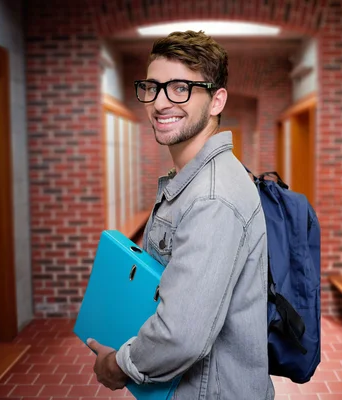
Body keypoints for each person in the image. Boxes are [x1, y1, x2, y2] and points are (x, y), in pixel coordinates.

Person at [87, 30, 275, 400]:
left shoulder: (211, 197)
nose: (160, 103)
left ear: (217, 100)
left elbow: (181, 335)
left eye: (180, 88)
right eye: (152, 88)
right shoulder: (194, 180)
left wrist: (118, 366)